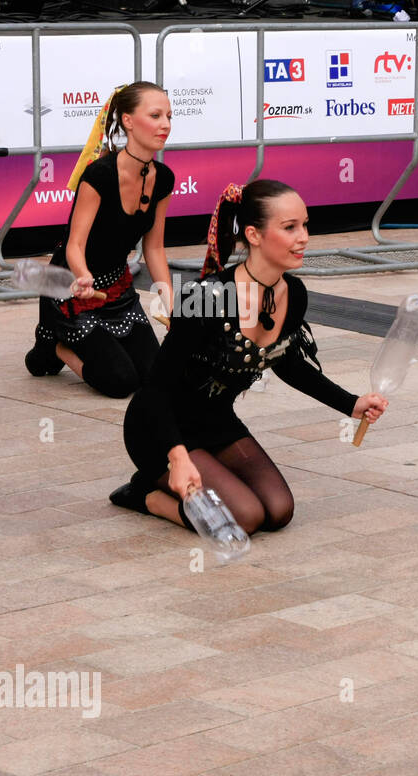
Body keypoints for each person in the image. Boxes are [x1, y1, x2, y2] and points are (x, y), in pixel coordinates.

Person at [108, 180, 388, 534]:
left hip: (216, 422)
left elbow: (288, 363)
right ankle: (146, 493)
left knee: (278, 510)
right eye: (289, 228)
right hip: (160, 429)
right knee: (244, 517)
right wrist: (177, 457)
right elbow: (154, 390)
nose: (303, 237)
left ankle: (189, 475)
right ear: (254, 235)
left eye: (305, 225)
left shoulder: (294, 294)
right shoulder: (207, 297)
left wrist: (351, 404)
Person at [24, 81, 175, 398]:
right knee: (121, 382)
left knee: (155, 378)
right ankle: (55, 346)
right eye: (156, 115)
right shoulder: (99, 175)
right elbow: (74, 245)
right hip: (71, 290)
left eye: (169, 116)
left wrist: (169, 300)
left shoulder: (164, 179)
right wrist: (84, 278)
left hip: (118, 291)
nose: (165, 125)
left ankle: (96, 344)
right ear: (129, 121)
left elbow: (154, 247)